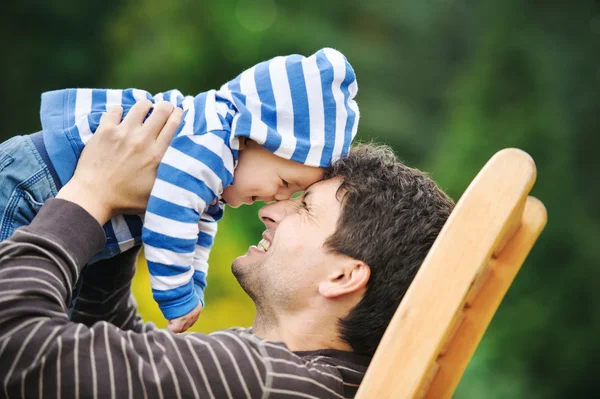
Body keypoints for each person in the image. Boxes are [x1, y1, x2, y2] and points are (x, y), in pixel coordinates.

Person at [0, 104, 454, 398]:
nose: (268, 213)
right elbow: (114, 348)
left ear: (343, 276)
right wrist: (135, 209)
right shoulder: (307, 377)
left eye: (306, 208)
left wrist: (91, 193)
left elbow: (18, 349)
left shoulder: (265, 380)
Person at [0, 47, 359, 332]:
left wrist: (195, 287)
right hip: (30, 189)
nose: (278, 199)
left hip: (47, 199)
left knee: (48, 317)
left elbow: (198, 231)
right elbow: (169, 221)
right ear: (252, 136)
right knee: (17, 319)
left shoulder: (214, 170)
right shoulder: (209, 145)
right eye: (284, 183)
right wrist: (177, 297)